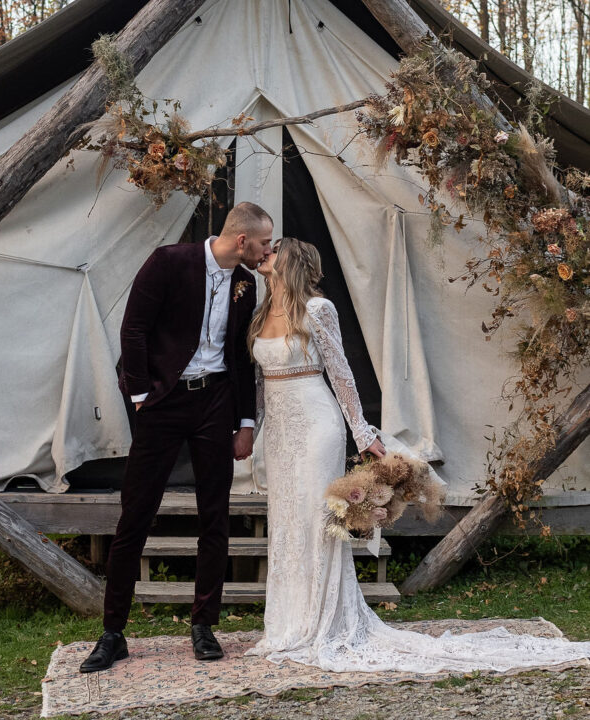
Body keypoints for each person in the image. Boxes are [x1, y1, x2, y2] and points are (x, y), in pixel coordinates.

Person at [246, 237, 590, 674]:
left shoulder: (318, 310)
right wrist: (250, 430)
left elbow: (342, 376)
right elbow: (260, 385)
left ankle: (321, 623)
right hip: (281, 434)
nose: (264, 254)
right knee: (287, 523)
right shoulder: (260, 313)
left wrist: (363, 434)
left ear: (290, 260)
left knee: (317, 523)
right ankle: (285, 625)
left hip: (317, 428)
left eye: (273, 249)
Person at [80, 202, 273, 673]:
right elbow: (135, 329)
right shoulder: (169, 261)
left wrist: (245, 423)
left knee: (215, 517)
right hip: (164, 403)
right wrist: (143, 397)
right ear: (242, 240)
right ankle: (112, 634)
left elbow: (243, 357)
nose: (270, 249)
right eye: (265, 242)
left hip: (216, 404)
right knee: (135, 516)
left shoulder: (247, 285)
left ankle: (204, 626)